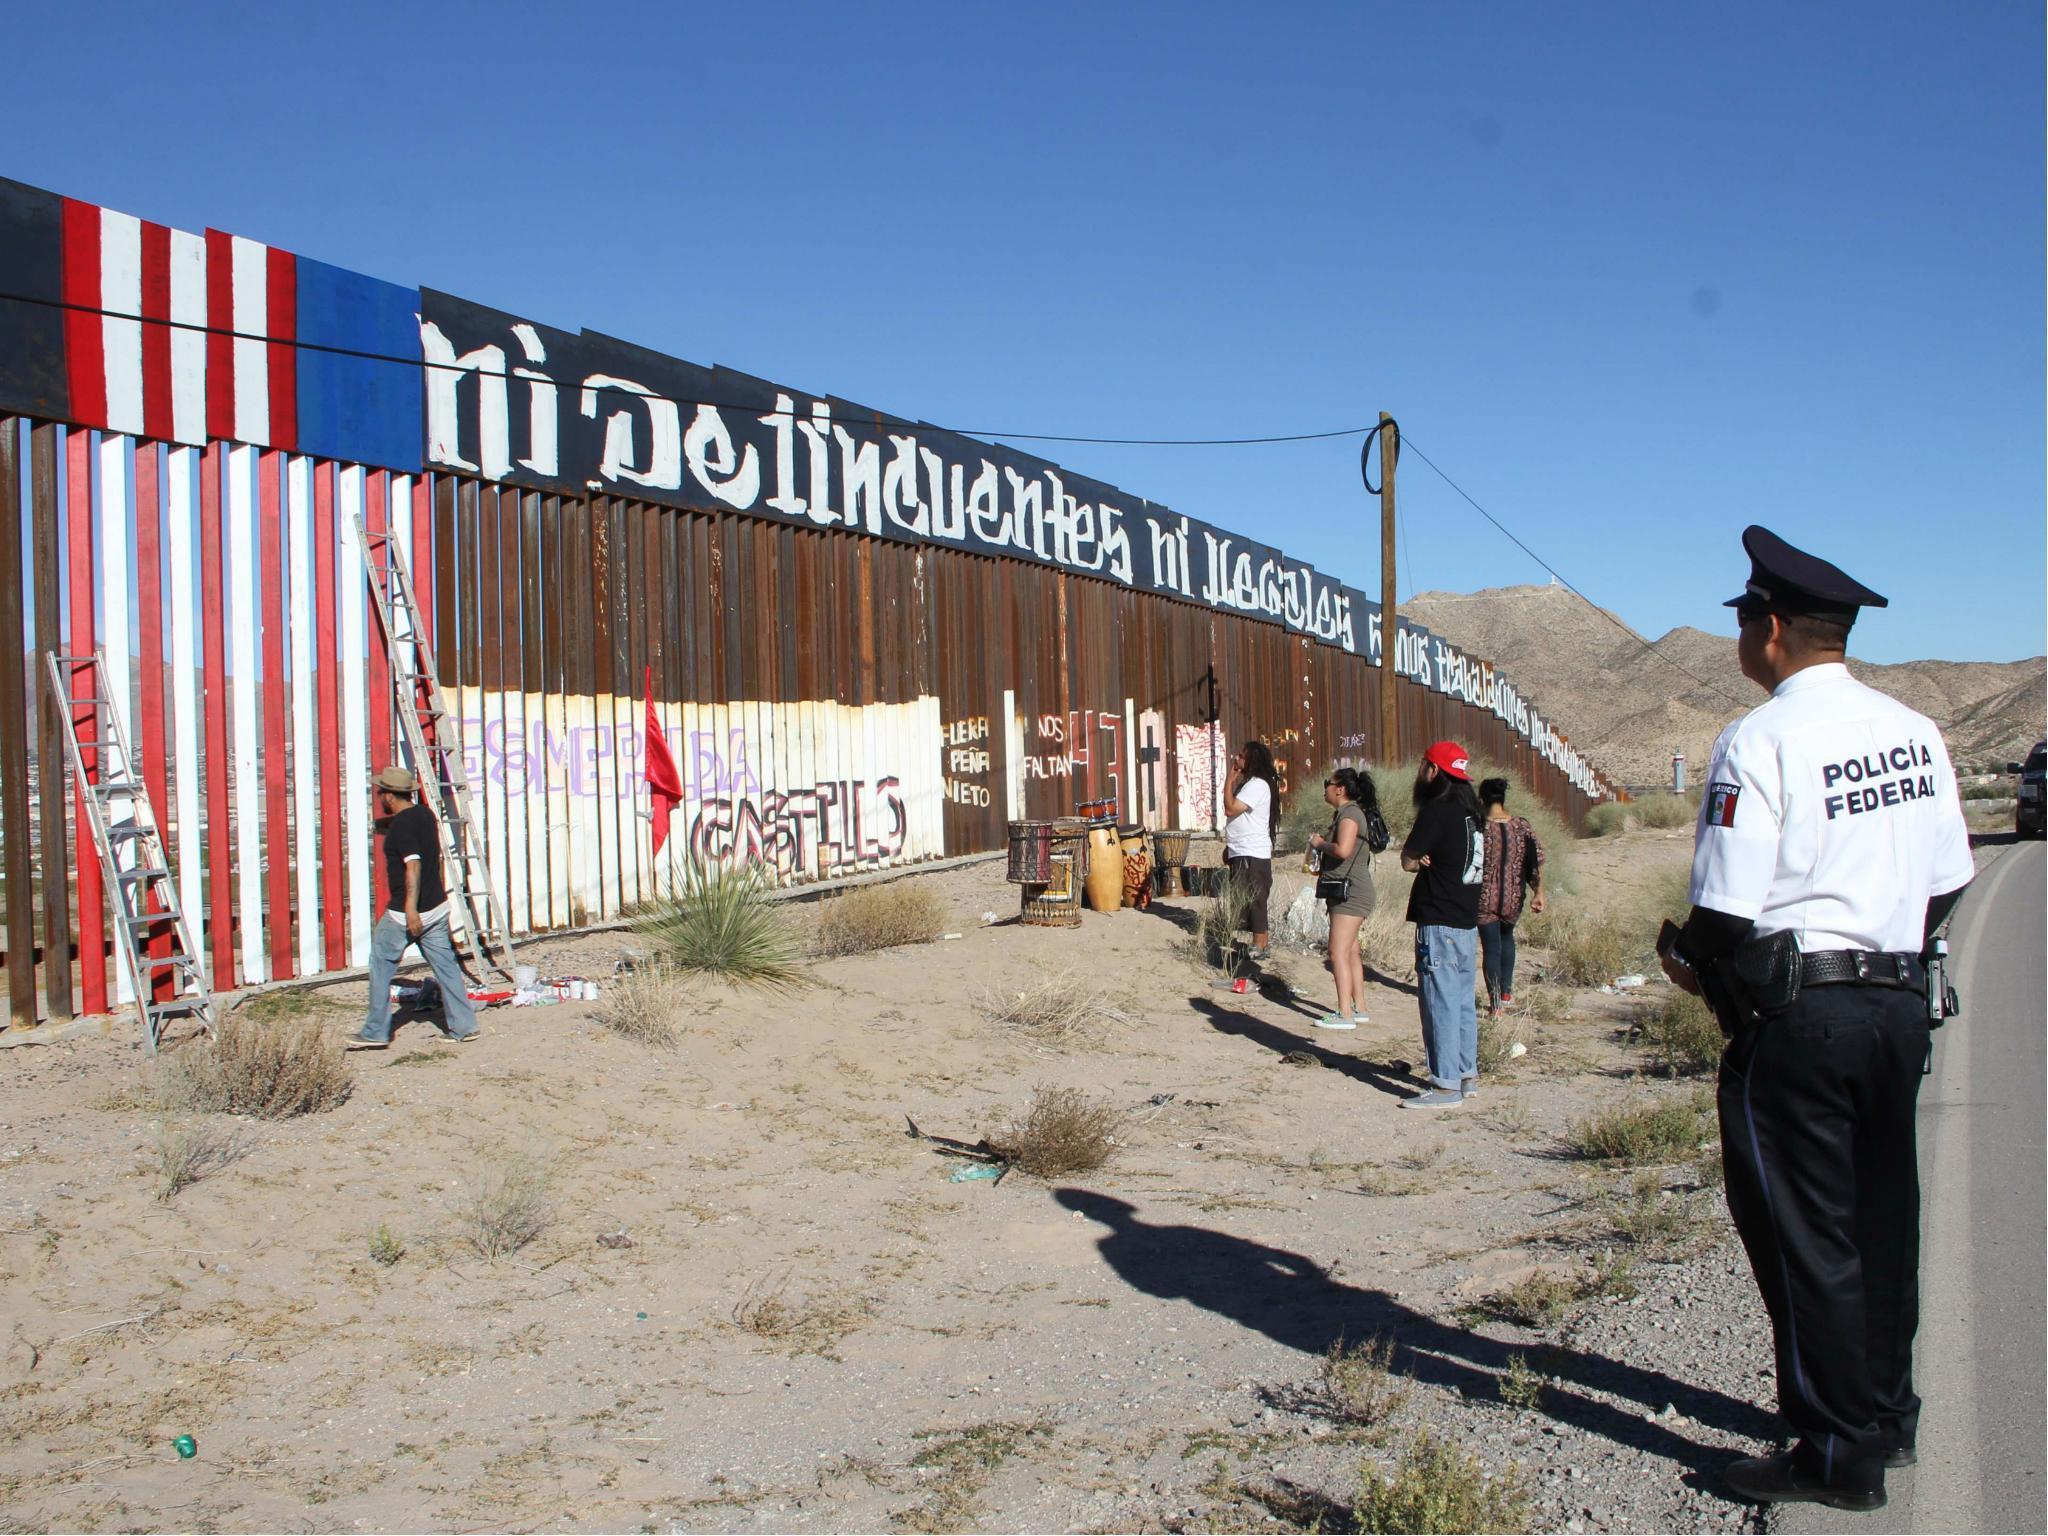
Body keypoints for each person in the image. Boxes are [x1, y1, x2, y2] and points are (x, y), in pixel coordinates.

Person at [1657, 526, 1973, 1512]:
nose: (1743, 641)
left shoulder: (1758, 739)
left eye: (1746, 623)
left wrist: (1689, 963)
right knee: (1881, 1220)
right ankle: (1882, 1415)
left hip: (1796, 1016)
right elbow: (1946, 881)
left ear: (1775, 629)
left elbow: (1722, 911)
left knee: (1805, 1238)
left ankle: (1832, 1454)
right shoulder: (1912, 731)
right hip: (1891, 1007)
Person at [350, 766, 479, 1050]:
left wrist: (410, 910)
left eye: (381, 791)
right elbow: (407, 830)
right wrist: (381, 826)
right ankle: (464, 1025)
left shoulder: (402, 828)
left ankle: (375, 1031)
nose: (379, 794)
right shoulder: (423, 815)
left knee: (381, 965)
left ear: (388, 796)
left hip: (406, 912)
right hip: (437, 906)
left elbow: (413, 864)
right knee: (445, 966)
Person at [1398, 741, 1484, 1108]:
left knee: (1440, 1003)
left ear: (1433, 771)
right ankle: (1465, 1075)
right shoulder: (1472, 814)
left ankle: (1444, 1085)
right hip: (1466, 921)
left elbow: (1407, 859)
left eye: (1423, 765)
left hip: (1440, 922)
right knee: (1462, 1002)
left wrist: (1420, 862)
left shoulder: (1437, 810)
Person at [1306, 766, 1379, 1030]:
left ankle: (1344, 1014)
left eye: (1328, 783)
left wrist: (1320, 844)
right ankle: (1359, 1007)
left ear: (1340, 788)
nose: (1325, 788)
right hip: (1353, 890)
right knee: (1351, 952)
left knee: (1336, 953)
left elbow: (1344, 850)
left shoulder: (1350, 814)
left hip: (1351, 893)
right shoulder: (1349, 814)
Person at [1476, 777, 1546, 1016]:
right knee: (1507, 938)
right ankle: (1506, 992)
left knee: (1491, 948)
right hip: (1514, 896)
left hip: (1484, 896)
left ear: (1481, 799)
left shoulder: (1479, 826)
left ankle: (1495, 1004)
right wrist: (1539, 892)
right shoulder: (1521, 826)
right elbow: (1536, 861)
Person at [1221, 740, 1279, 960]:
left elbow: (1230, 808)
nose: (1236, 759)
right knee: (1246, 898)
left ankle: (1260, 945)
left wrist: (1229, 779)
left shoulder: (1257, 784)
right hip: (1242, 850)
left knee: (1255, 899)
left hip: (1252, 852)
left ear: (1252, 760)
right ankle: (1258, 945)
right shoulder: (1250, 784)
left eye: (1241, 756)